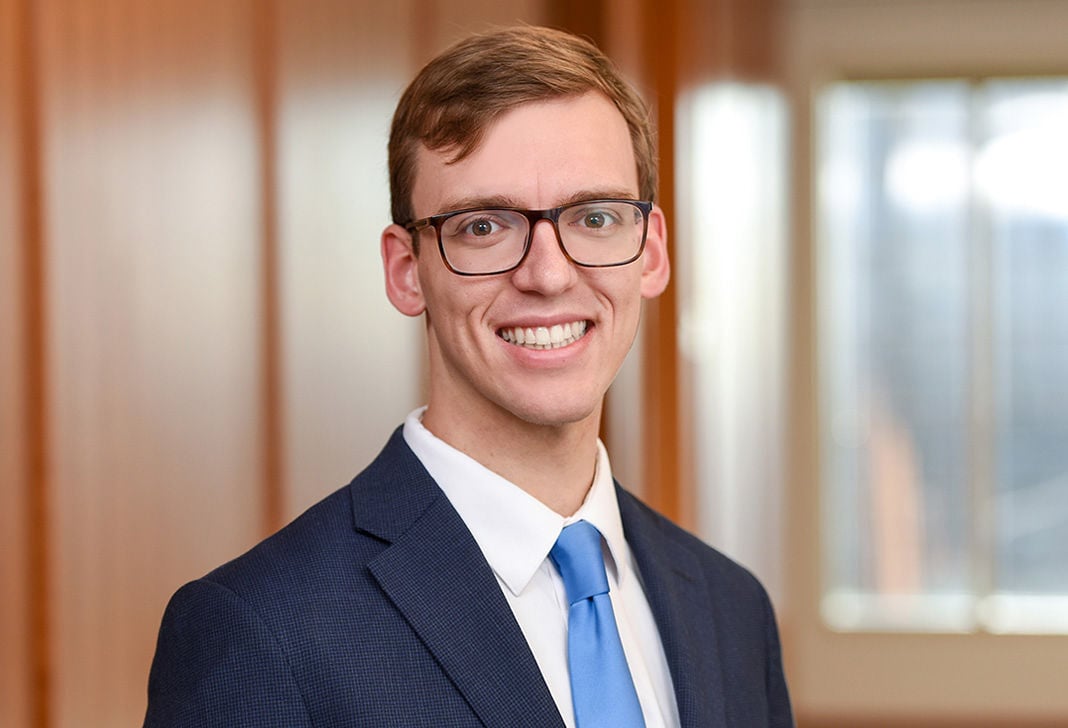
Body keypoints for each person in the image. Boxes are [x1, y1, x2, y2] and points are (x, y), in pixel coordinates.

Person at [144, 25, 793, 728]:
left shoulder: (732, 611)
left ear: (652, 252)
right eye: (484, 226)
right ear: (406, 271)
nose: (548, 275)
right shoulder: (261, 631)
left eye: (596, 217)